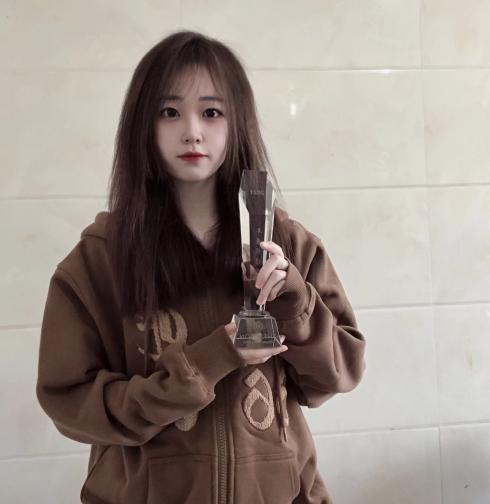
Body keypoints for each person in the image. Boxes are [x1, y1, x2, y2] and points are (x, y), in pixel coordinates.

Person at [36, 29, 366, 504]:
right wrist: (208, 362)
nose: (192, 131)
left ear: (237, 123)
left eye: (211, 112)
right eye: (169, 112)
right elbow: (71, 403)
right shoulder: (100, 259)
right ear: (143, 125)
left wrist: (295, 305)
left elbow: (339, 374)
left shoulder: (287, 243)